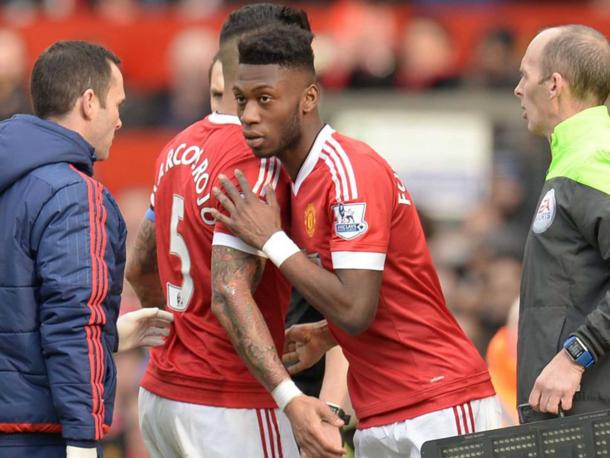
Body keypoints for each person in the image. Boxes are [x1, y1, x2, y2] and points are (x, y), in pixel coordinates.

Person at [211, 24, 501, 458]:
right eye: (241, 100)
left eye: (265, 99)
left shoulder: (348, 171)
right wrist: (328, 336)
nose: (248, 114)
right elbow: (382, 293)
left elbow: (355, 309)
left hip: (438, 403)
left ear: (308, 99)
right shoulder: (295, 179)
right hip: (377, 413)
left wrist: (271, 239)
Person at [126, 4, 345, 458]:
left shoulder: (177, 146)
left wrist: (180, 339)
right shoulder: (257, 156)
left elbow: (139, 265)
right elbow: (229, 292)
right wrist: (292, 399)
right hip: (230, 402)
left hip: (163, 394)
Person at [0, 41, 173, 458]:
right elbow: (71, 324)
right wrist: (82, 442)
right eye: (117, 104)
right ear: (89, 103)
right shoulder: (74, 195)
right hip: (38, 436)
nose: (119, 120)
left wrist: (109, 336)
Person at [513, 24, 610, 421]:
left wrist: (575, 355)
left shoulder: (593, 158)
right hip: (574, 413)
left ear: (554, 84)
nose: (518, 89)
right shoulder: (573, 156)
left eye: (525, 75)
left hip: (590, 413)